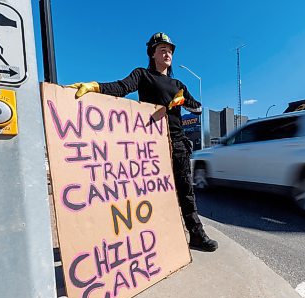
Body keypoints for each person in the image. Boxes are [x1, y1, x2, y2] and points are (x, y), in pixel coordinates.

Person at [68, 32, 218, 252]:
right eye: (162, 49)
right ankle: (151, 238)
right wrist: (94, 86)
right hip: (150, 145)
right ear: (152, 53)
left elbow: (198, 107)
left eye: (170, 50)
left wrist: (183, 99)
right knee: (151, 193)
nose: (167, 53)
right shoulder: (142, 75)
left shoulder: (178, 84)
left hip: (177, 144)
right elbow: (121, 88)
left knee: (186, 192)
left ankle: (196, 235)